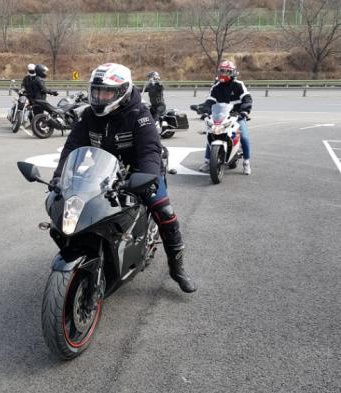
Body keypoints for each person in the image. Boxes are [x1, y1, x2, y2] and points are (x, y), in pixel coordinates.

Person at [51, 62, 196, 293]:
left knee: (165, 212)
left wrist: (146, 178)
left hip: (139, 172)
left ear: (122, 91)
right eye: (97, 91)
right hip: (103, 171)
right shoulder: (89, 116)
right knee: (72, 205)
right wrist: (59, 177)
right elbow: (72, 147)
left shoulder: (140, 115)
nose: (100, 97)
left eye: (107, 92)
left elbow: (150, 150)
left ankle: (177, 268)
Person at [198, 59, 253, 175]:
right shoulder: (216, 87)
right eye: (222, 71)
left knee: (244, 137)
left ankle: (246, 163)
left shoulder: (238, 85)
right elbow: (209, 102)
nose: (223, 74)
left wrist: (244, 111)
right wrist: (204, 111)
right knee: (212, 134)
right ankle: (208, 161)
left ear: (232, 73)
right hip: (220, 117)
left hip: (237, 116)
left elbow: (247, 99)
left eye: (227, 71)